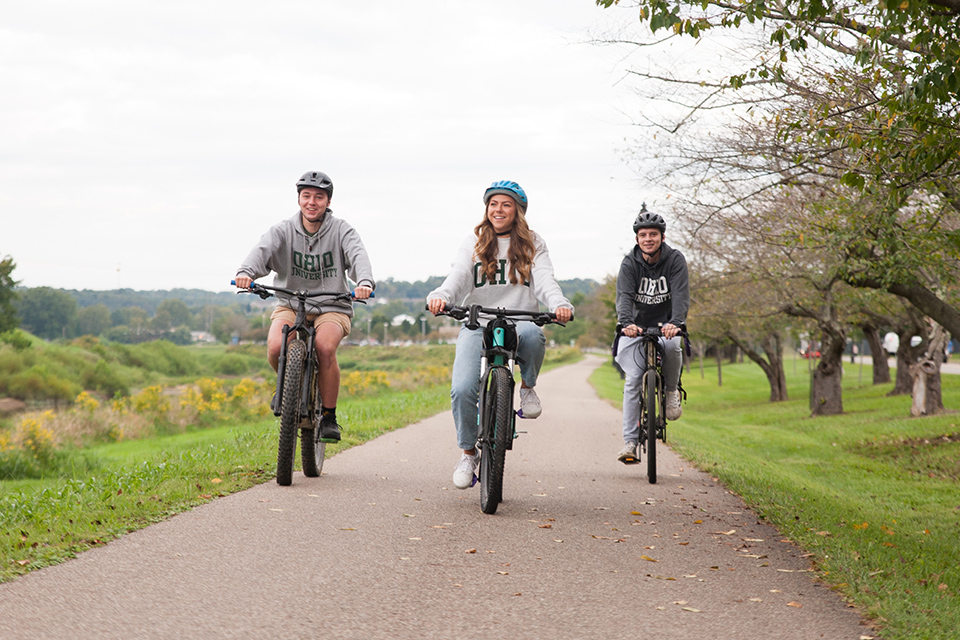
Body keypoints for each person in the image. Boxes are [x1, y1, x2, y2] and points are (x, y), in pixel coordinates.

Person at [427, 180, 574, 489]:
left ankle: (528, 387)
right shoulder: (476, 240)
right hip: (477, 321)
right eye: (493, 204)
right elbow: (458, 275)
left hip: (520, 317)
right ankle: (469, 453)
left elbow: (545, 279)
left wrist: (558, 303)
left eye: (506, 204)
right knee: (463, 387)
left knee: (534, 336)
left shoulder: (534, 242)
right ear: (486, 209)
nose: (498, 209)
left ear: (518, 211)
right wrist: (441, 295)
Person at [234, 171, 375, 443]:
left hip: (333, 305)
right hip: (292, 302)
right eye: (306, 196)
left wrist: (365, 281)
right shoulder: (283, 230)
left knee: (324, 347)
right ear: (299, 199)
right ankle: (289, 386)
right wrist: (246, 272)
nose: (312, 202)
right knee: (277, 346)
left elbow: (358, 255)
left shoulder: (342, 230)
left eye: (319, 197)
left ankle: (330, 417)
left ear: (328, 201)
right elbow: (261, 251)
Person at [614, 203, 689, 464]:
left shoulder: (675, 260)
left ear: (662, 237)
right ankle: (630, 443)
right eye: (643, 235)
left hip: (666, 326)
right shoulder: (629, 263)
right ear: (637, 238)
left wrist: (676, 321)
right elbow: (623, 296)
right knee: (633, 380)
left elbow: (680, 294)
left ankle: (670, 392)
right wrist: (625, 322)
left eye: (653, 234)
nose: (648, 239)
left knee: (672, 347)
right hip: (635, 327)